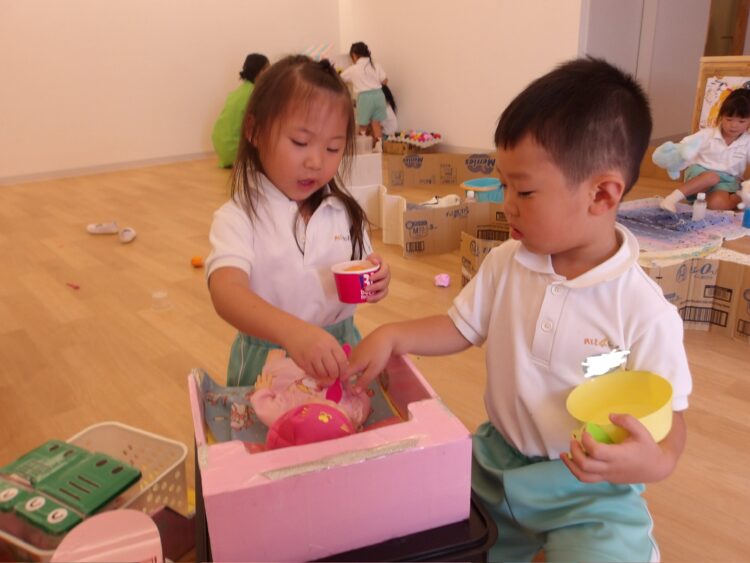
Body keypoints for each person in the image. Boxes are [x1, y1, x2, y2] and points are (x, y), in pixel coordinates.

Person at [347, 58, 692, 562]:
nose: (507, 203)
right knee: (408, 521)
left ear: (601, 194)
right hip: (493, 464)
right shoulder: (507, 261)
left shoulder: (644, 311)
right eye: (503, 185)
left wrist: (655, 461)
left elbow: (672, 413)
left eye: (524, 191)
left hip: (587, 490)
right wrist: (394, 335)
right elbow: (459, 326)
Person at [206, 54, 391, 388]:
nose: (316, 161)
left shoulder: (345, 213)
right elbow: (226, 292)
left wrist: (376, 278)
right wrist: (292, 332)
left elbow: (361, 270)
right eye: (300, 143)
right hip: (268, 364)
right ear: (255, 131)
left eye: (333, 148)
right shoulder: (239, 217)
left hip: (338, 352)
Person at [660, 87, 750, 212]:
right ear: (721, 117)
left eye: (741, 121)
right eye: (729, 119)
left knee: (717, 203)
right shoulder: (707, 134)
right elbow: (683, 146)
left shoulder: (747, 142)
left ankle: (738, 197)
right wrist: (675, 156)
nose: (734, 125)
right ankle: (671, 199)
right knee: (712, 177)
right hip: (700, 174)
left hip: (726, 183)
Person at [211, 53, 270, 168]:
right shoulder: (254, 94)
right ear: (260, 71)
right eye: (268, 69)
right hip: (236, 150)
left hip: (221, 148)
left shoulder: (237, 92)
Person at [340, 42, 388, 143]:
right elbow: (385, 81)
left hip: (365, 98)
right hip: (379, 96)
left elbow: (340, 78)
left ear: (354, 55)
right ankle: (379, 147)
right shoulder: (376, 65)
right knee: (376, 123)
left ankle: (362, 147)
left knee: (363, 125)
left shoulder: (353, 69)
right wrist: (373, 82)